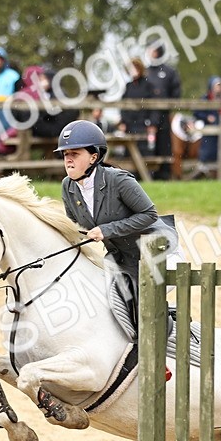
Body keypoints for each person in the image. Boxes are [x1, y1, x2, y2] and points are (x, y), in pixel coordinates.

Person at [56, 119, 178, 303]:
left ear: (93, 157)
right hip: (122, 259)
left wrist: (106, 230)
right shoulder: (68, 186)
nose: (68, 159)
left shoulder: (118, 180)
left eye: (75, 153)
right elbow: (75, 228)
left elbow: (149, 215)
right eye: (65, 154)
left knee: (143, 303)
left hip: (159, 253)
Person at [145, 43, 181, 179]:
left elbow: (176, 93)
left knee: (164, 144)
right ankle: (148, 173)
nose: (150, 53)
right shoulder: (146, 72)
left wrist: (168, 106)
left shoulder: (169, 72)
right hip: (148, 117)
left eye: (152, 50)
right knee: (148, 145)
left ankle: (165, 174)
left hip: (164, 117)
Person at [117, 58, 155, 153]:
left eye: (135, 68)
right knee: (128, 152)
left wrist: (152, 123)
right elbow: (123, 106)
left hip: (143, 125)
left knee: (144, 151)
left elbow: (154, 107)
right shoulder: (128, 86)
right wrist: (123, 122)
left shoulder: (148, 85)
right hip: (129, 125)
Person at [193, 76, 221, 169]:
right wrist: (207, 117)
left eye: (220, 85)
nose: (219, 88)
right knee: (207, 147)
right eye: (217, 85)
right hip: (208, 128)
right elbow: (196, 112)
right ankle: (203, 164)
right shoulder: (205, 98)